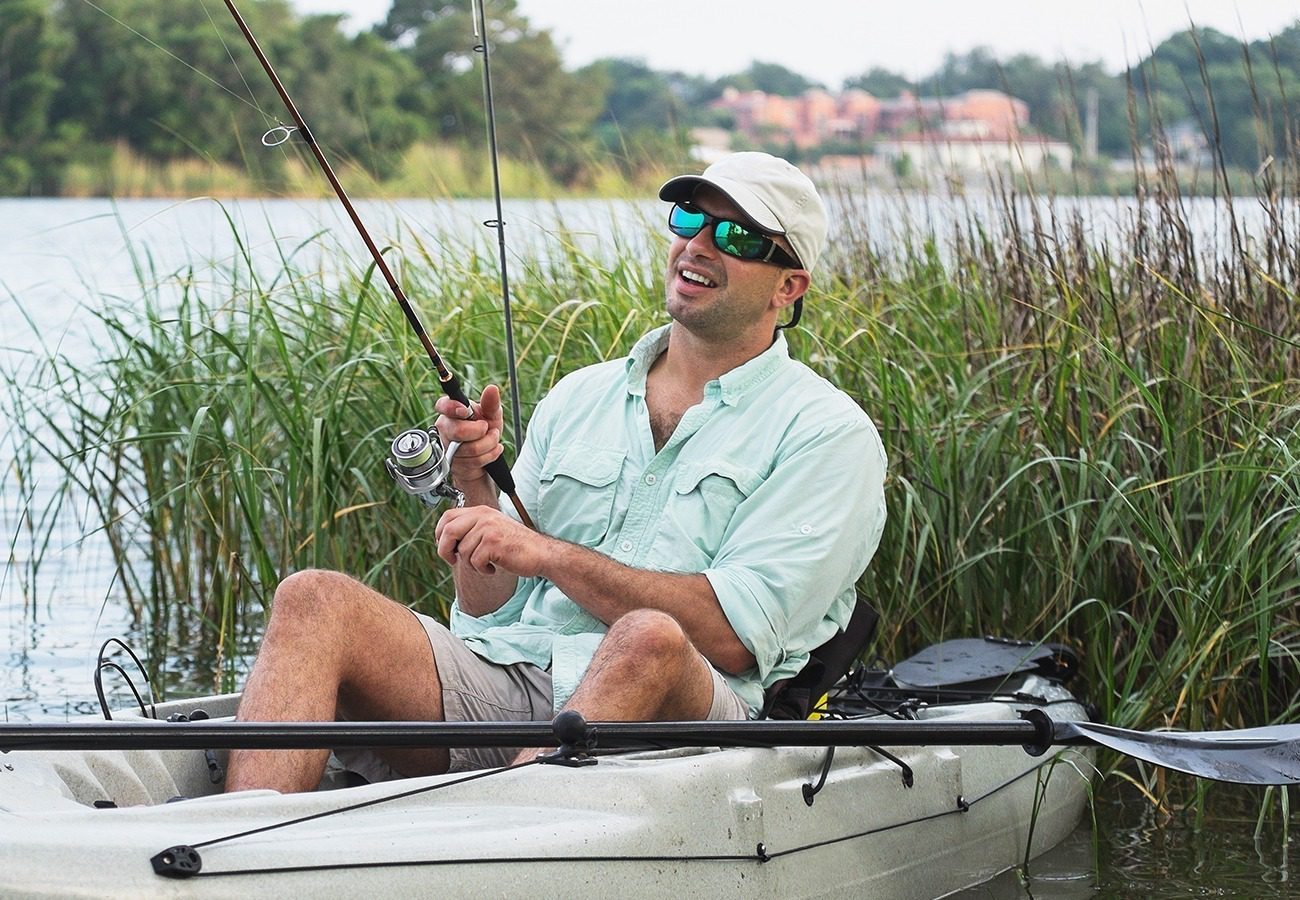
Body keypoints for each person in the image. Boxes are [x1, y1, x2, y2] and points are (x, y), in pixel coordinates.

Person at [224, 151, 887, 792]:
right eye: (690, 220)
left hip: (688, 715)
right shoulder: (580, 396)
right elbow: (487, 608)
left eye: (737, 235)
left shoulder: (828, 434)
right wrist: (476, 486)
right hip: (511, 680)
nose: (699, 245)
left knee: (648, 638)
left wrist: (547, 554)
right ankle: (228, 859)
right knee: (314, 597)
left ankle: (501, 838)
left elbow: (734, 640)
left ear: (788, 285)